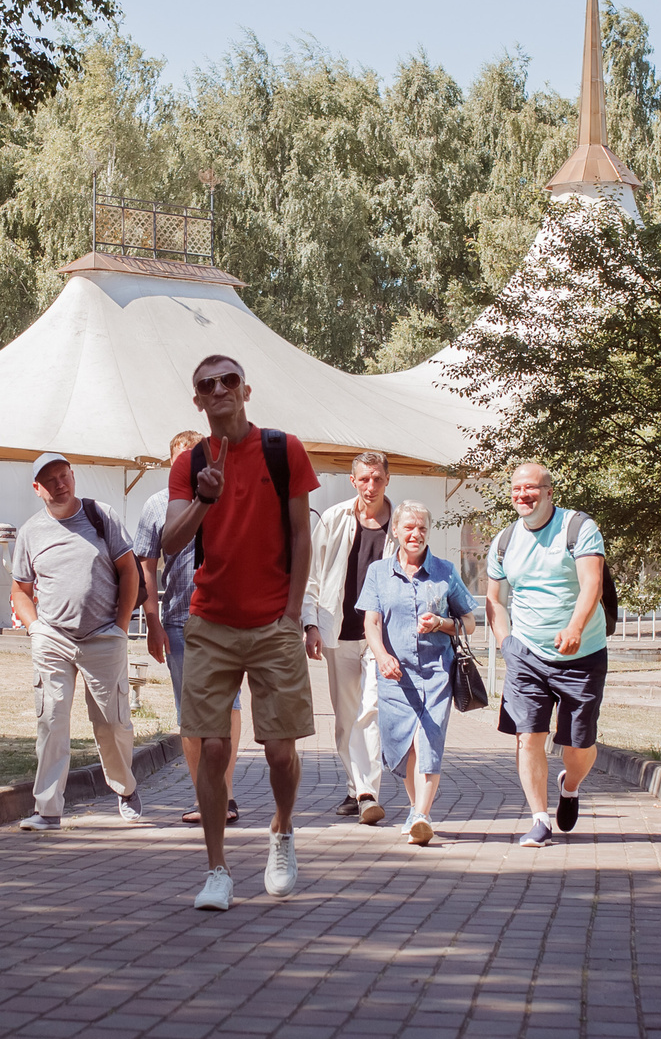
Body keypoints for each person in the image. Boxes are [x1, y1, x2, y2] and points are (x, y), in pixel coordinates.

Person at [157, 353, 317, 911]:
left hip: (274, 621)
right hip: (210, 620)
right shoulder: (189, 463)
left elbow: (301, 535)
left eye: (228, 380)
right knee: (213, 745)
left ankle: (281, 829)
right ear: (198, 400)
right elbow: (171, 543)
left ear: (246, 390)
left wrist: (294, 613)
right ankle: (217, 870)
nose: (219, 388)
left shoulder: (283, 449)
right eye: (207, 384)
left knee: (278, 751)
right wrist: (204, 497)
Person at [9, 452, 144, 831]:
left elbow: (129, 571)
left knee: (111, 724)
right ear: (37, 489)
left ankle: (125, 788)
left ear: (73, 477)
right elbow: (21, 589)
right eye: (50, 480)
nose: (60, 484)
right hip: (52, 638)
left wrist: (120, 625)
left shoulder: (101, 515)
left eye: (64, 475)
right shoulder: (31, 532)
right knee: (51, 720)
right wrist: (35, 628)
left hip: (104, 636)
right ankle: (47, 810)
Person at [484, 460, 608, 848]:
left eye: (531, 488)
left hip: (582, 653)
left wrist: (574, 628)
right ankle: (539, 819)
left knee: (579, 747)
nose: (523, 495)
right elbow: (495, 599)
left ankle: (569, 787)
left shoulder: (578, 528)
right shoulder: (504, 541)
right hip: (527, 656)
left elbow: (593, 584)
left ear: (549, 492)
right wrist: (506, 643)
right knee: (528, 737)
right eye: (517, 490)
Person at [132, 430, 236, 828]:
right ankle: (205, 796)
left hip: (228, 618)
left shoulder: (226, 497)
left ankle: (226, 797)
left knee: (228, 708)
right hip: (180, 618)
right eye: (180, 458)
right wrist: (152, 623)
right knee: (191, 714)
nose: (187, 464)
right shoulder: (157, 505)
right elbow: (146, 567)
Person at [357, 501, 476, 846]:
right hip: (395, 675)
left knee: (429, 741)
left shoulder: (445, 571)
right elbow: (371, 621)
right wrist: (381, 656)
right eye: (408, 527)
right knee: (405, 745)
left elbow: (469, 621)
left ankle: (423, 814)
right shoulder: (379, 572)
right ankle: (414, 808)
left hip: (437, 672)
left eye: (422, 528)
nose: (415, 534)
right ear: (395, 531)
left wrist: (441, 623)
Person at [305, 450, 392, 824]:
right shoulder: (333, 518)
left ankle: (368, 793)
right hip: (338, 631)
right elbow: (312, 574)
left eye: (378, 479)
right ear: (353, 481)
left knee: (370, 711)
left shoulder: (402, 522)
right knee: (345, 717)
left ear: (387, 480)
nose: (371, 486)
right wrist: (310, 624)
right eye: (364, 479)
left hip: (381, 637)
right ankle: (355, 787)